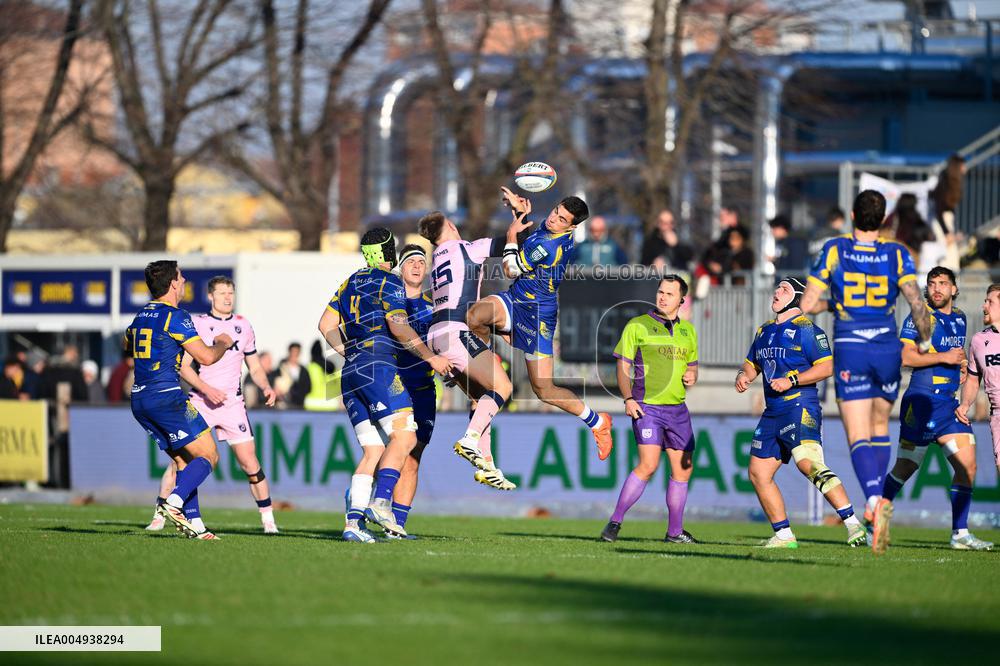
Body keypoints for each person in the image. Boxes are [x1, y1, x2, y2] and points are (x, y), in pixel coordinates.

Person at [799, 189, 932, 527]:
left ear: (854, 216)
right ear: (883, 219)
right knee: (879, 427)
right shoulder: (897, 253)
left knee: (857, 432)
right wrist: (926, 338)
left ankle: (873, 499)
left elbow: (808, 300)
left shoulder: (835, 248)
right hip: (886, 346)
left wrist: (815, 315)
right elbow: (917, 302)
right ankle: (883, 500)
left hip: (852, 344)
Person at [318, 228, 452, 542]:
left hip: (352, 371)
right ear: (388, 253)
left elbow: (325, 324)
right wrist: (431, 358)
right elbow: (398, 325)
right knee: (405, 438)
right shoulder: (390, 281)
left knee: (374, 450)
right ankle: (381, 503)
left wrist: (349, 351)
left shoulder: (350, 281)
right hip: (379, 366)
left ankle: (353, 525)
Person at [466, 188, 613, 459]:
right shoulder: (552, 231)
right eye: (556, 211)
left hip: (538, 315)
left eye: (561, 219)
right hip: (516, 299)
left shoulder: (549, 245)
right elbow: (529, 243)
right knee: (475, 316)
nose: (553, 219)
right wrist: (522, 213)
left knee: (543, 389)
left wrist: (511, 235)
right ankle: (486, 376)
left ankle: (598, 422)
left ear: (573, 226)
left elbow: (510, 268)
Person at [736, 278, 867, 549]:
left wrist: (792, 380)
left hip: (800, 405)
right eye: (777, 287)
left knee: (807, 463)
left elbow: (827, 367)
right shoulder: (764, 331)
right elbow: (752, 365)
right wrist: (743, 376)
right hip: (772, 411)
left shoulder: (808, 330)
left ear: (796, 298)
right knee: (758, 473)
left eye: (784, 289)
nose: (776, 292)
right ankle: (784, 535)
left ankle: (853, 523)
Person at [145, 276, 279, 535]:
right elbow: (184, 368)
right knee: (180, 461)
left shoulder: (243, 325)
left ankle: (269, 521)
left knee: (250, 463)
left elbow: (254, 366)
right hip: (201, 401)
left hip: (232, 404)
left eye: (231, 292)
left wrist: (265, 387)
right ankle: (159, 514)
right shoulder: (196, 323)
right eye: (222, 293)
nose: (228, 297)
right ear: (210, 296)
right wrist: (208, 390)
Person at [875, 267, 992, 552]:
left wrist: (961, 365)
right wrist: (946, 357)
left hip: (948, 405)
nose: (936, 288)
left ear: (954, 288)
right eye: (932, 283)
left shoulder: (960, 318)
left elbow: (955, 356)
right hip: (921, 401)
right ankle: (872, 521)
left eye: (943, 283)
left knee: (968, 466)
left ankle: (960, 533)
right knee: (906, 467)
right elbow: (905, 356)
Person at [418, 208, 528, 490]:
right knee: (502, 387)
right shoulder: (467, 248)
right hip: (456, 332)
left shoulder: (436, 260)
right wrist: (520, 216)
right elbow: (513, 243)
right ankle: (469, 440)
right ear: (452, 226)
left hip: (436, 333)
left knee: (482, 398)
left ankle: (487, 465)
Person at [126, 260, 232, 540]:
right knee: (209, 454)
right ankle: (172, 503)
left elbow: (127, 343)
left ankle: (195, 525)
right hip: (166, 398)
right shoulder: (176, 316)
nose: (184, 281)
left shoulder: (141, 315)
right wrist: (222, 341)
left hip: (140, 400)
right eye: (182, 277)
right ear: (173, 283)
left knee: (185, 462)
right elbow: (206, 357)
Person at [600, 275, 699, 544]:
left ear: (682, 299)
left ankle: (674, 532)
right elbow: (622, 367)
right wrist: (628, 398)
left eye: (669, 293)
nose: (663, 297)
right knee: (648, 465)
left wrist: (692, 375)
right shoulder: (638, 326)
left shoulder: (688, 331)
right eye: (660, 292)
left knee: (682, 472)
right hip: (647, 408)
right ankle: (615, 522)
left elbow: (692, 366)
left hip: (678, 410)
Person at [381, 245, 438, 534]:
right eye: (411, 262)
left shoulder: (434, 307)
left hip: (424, 388)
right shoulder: (388, 302)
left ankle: (396, 527)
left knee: (414, 458)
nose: (417, 266)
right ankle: (357, 513)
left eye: (421, 262)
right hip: (393, 386)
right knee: (382, 452)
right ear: (400, 268)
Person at [958, 284, 1000, 477]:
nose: (984, 306)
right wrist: (965, 404)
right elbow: (974, 380)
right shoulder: (978, 341)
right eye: (984, 301)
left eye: (989, 302)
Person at [931, 153, 965, 271]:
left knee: (950, 260)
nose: (964, 168)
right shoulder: (945, 183)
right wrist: (947, 233)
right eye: (962, 165)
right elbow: (939, 210)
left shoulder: (952, 183)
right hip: (942, 223)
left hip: (946, 221)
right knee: (948, 260)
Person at [275, 342, 310, 408]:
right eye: (293, 352)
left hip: (299, 405)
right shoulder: (281, 369)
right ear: (289, 352)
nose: (295, 354)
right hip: (284, 404)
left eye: (297, 352)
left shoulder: (304, 371)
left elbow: (308, 387)